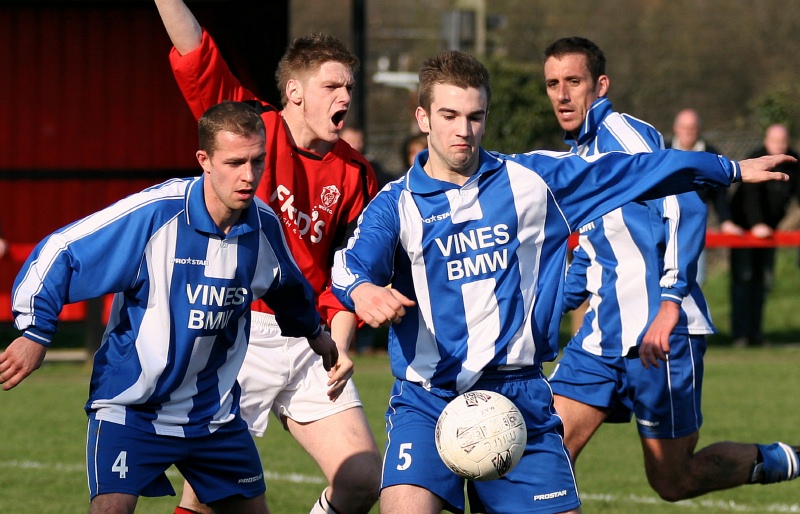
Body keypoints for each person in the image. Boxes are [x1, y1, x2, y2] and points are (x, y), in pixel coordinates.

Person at [329, 49, 793, 514]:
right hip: (428, 400)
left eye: (474, 116)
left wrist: (728, 169)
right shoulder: (396, 203)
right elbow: (349, 265)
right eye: (449, 115)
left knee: (666, 476)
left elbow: (636, 170)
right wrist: (364, 290)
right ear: (423, 118)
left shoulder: (533, 181)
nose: (462, 130)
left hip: (519, 395)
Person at [0, 101, 338, 514]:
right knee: (110, 509)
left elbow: (288, 285)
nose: (248, 176)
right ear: (204, 161)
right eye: (234, 162)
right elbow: (62, 251)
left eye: (257, 161)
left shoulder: (263, 225)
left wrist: (315, 333)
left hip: (213, 415)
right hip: (132, 408)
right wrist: (35, 331)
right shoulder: (156, 215)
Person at [543, 36, 800, 503]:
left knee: (672, 480)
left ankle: (792, 458)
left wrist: (668, 304)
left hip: (660, 335)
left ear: (600, 86)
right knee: (546, 455)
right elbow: (594, 249)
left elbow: (686, 209)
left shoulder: (626, 136)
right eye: (552, 84)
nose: (562, 94)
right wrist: (539, 315)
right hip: (601, 337)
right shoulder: (575, 159)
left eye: (573, 82)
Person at [153, 2, 383, 513]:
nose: (345, 96)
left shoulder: (357, 173)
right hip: (240, 332)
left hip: (311, 341)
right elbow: (196, 52)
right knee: (211, 496)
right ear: (295, 92)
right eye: (332, 86)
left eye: (348, 87)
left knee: (364, 478)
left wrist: (339, 347)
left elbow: (350, 272)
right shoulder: (252, 125)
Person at [729, 123, 800, 347]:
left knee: (764, 282)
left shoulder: (793, 162)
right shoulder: (756, 158)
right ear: (767, 140)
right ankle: (741, 335)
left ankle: (756, 335)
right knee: (744, 279)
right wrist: (757, 223)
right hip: (745, 231)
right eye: (775, 141)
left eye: (783, 141)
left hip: (769, 234)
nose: (779, 145)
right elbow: (750, 196)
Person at [669, 108, 744, 283]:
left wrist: (726, 221)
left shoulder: (711, 155)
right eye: (684, 127)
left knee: (695, 280)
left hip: (695, 228)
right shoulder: (661, 151)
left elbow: (720, 195)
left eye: (692, 127)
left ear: (699, 129)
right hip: (662, 227)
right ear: (676, 128)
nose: (688, 131)